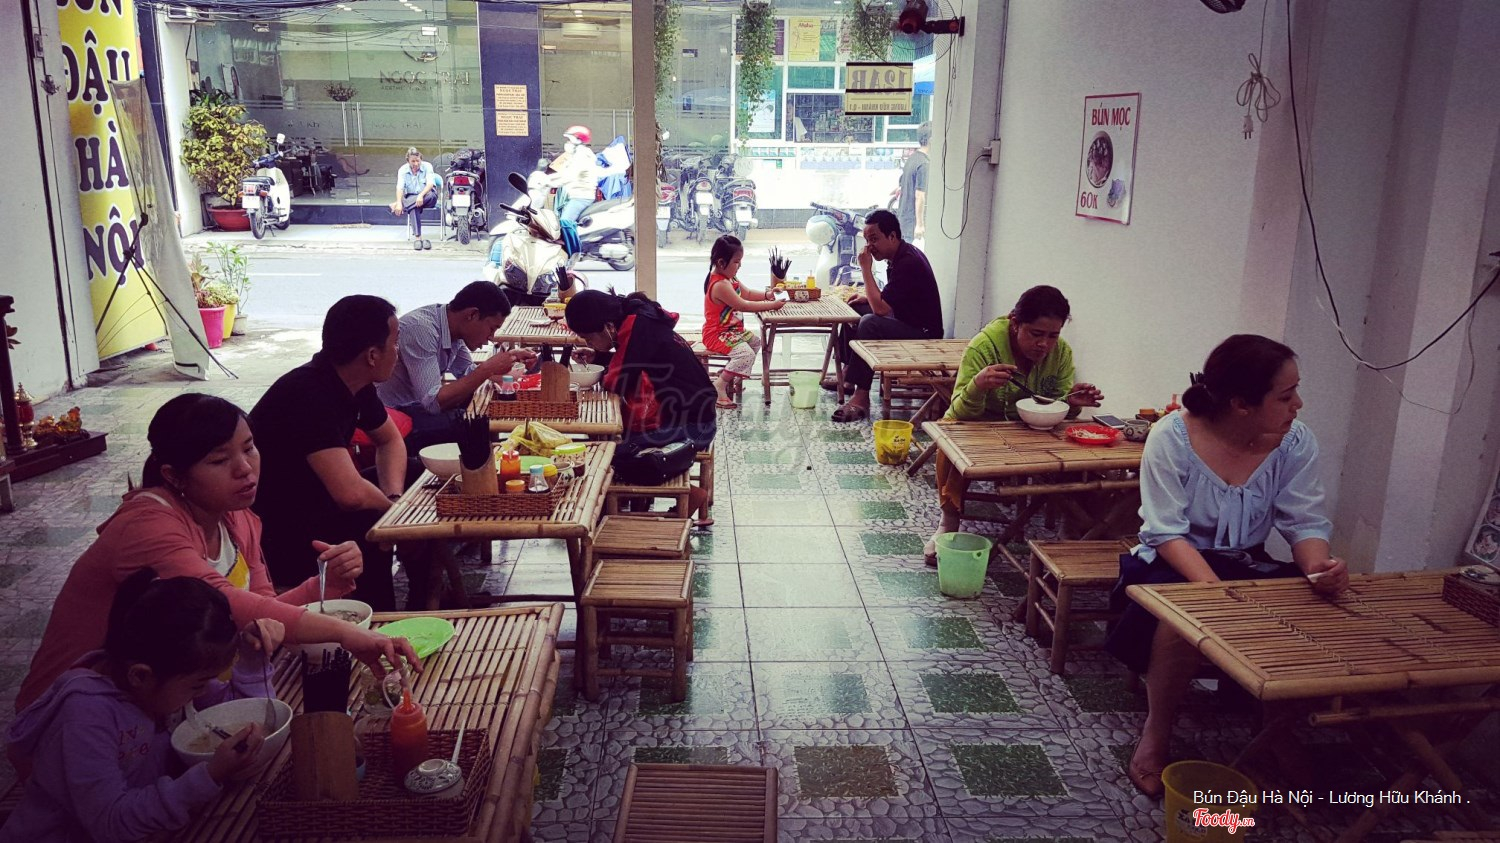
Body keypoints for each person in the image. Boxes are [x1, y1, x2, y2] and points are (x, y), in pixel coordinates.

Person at [16, 393, 419, 713]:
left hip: (167, 698)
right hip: (79, 713)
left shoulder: (237, 516)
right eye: (220, 460)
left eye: (250, 448)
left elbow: (261, 616)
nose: (245, 468)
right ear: (174, 476)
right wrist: (349, 635)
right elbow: (229, 603)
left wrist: (323, 585)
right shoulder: (147, 527)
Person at [1104, 334, 1348, 799]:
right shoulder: (1172, 437)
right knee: (1185, 617)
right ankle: (1156, 734)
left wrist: (1320, 567)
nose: (1297, 404)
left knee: (1304, 606)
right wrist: (1217, 594)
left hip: (1245, 561)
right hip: (1173, 561)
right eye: (1285, 396)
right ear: (1241, 404)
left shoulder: (1295, 442)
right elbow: (1166, 532)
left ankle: (1276, 726)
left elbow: (1304, 520)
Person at [3, 572, 278, 841]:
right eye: (198, 685)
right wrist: (209, 775)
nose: (205, 692)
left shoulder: (167, 677)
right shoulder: (85, 717)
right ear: (141, 676)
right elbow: (110, 823)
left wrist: (251, 660)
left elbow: (242, 713)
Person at [251, 295, 430, 612]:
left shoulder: (355, 383)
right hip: (284, 528)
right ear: (372, 355)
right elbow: (350, 495)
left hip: (320, 500)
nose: (398, 351)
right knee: (368, 524)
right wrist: (394, 518)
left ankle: (424, 595)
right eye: (395, 343)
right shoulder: (308, 394)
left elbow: (390, 441)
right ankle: (378, 613)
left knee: (418, 474)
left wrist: (394, 500)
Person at [924, 285, 1105, 565]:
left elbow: (1055, 404)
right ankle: (948, 521)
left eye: (1053, 336)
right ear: (1015, 323)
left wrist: (1072, 402)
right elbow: (959, 410)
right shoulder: (984, 347)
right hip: (981, 425)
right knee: (949, 437)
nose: (1044, 344)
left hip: (1033, 430)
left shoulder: (1061, 354)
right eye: (1036, 334)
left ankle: (1071, 529)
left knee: (1082, 451)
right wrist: (977, 386)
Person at [565, 289, 716, 526]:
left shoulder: (638, 329)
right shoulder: (639, 319)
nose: (588, 342)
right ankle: (633, 500)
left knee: (608, 456)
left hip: (692, 428)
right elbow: (639, 361)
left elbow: (617, 380)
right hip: (685, 417)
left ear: (608, 326)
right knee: (616, 444)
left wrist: (602, 364)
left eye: (588, 337)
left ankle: (687, 496)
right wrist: (599, 357)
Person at [376, 282, 537, 452]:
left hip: (415, 405)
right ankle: (485, 465)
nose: (491, 337)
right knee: (469, 421)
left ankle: (494, 459)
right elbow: (433, 402)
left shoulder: (454, 329)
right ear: (472, 315)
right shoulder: (422, 330)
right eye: (492, 328)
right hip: (389, 415)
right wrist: (487, 369)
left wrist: (510, 365)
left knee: (481, 405)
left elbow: (468, 374)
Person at [830, 210, 944, 422]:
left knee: (869, 323)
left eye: (874, 239)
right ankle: (848, 374)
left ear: (892, 236)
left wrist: (866, 269)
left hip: (924, 334)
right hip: (906, 321)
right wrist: (867, 298)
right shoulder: (900, 256)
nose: (869, 246)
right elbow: (893, 297)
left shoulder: (908, 262)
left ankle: (861, 396)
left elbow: (881, 310)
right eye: (867, 240)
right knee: (855, 308)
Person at [700, 235, 786, 410]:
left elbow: (747, 293)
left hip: (731, 332)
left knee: (755, 343)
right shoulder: (720, 285)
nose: (740, 265)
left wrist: (768, 295)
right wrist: (772, 305)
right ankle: (719, 385)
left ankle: (729, 374)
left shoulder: (729, 278)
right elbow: (744, 305)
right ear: (721, 262)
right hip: (717, 334)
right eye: (736, 262)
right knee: (746, 355)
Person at [388, 147, 438, 245]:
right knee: (413, 208)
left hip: (427, 196)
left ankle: (402, 204)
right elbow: (400, 188)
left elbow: (430, 184)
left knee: (431, 195)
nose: (416, 163)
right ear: (408, 161)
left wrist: (420, 195)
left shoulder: (427, 166)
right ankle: (418, 238)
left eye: (418, 161)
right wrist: (399, 202)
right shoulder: (403, 170)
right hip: (413, 198)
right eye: (413, 161)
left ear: (421, 159)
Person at [551, 126, 598, 224]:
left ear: (577, 140)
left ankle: (569, 235)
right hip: (576, 196)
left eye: (569, 140)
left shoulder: (582, 155)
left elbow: (570, 176)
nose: (567, 143)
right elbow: (564, 173)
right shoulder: (577, 154)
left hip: (581, 197)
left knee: (565, 222)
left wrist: (551, 183)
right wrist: (547, 179)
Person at [896, 123, 930, 245]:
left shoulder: (912, 158)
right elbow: (919, 196)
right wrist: (920, 225)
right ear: (931, 140)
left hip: (903, 220)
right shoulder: (924, 164)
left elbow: (904, 182)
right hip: (912, 224)